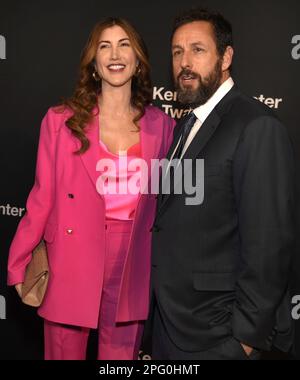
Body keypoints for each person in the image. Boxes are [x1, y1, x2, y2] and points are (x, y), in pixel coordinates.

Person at [7, 17, 175, 360]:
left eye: (124, 44)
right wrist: (19, 260)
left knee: (120, 358)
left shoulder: (163, 125)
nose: (115, 53)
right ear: (94, 63)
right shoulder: (60, 121)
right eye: (104, 45)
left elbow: (167, 205)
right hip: (72, 254)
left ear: (138, 59)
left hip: (132, 259)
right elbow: (42, 198)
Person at [149, 8, 295, 360]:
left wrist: (244, 342)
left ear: (226, 57)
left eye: (197, 50)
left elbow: (269, 246)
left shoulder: (256, 126)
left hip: (217, 336)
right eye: (177, 52)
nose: (185, 62)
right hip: (171, 324)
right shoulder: (186, 124)